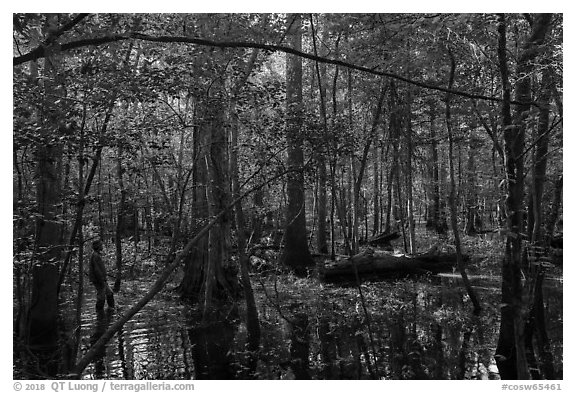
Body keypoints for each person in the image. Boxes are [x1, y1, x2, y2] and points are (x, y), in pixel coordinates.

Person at [89, 239, 115, 310]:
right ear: (98, 246)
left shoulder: (96, 255)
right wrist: (101, 280)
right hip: (99, 280)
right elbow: (97, 270)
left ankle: (111, 308)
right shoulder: (95, 256)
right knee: (101, 296)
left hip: (101, 279)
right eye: (101, 245)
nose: (102, 246)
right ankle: (99, 312)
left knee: (109, 293)